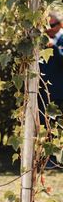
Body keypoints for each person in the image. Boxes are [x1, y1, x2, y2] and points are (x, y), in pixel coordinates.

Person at [39, 12, 63, 169]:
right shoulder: (41, 40)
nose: (49, 28)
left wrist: (53, 46)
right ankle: (43, 159)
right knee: (43, 126)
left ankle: (57, 160)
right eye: (47, 25)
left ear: (60, 25)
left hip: (60, 92)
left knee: (58, 128)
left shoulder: (60, 40)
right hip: (43, 92)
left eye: (52, 25)